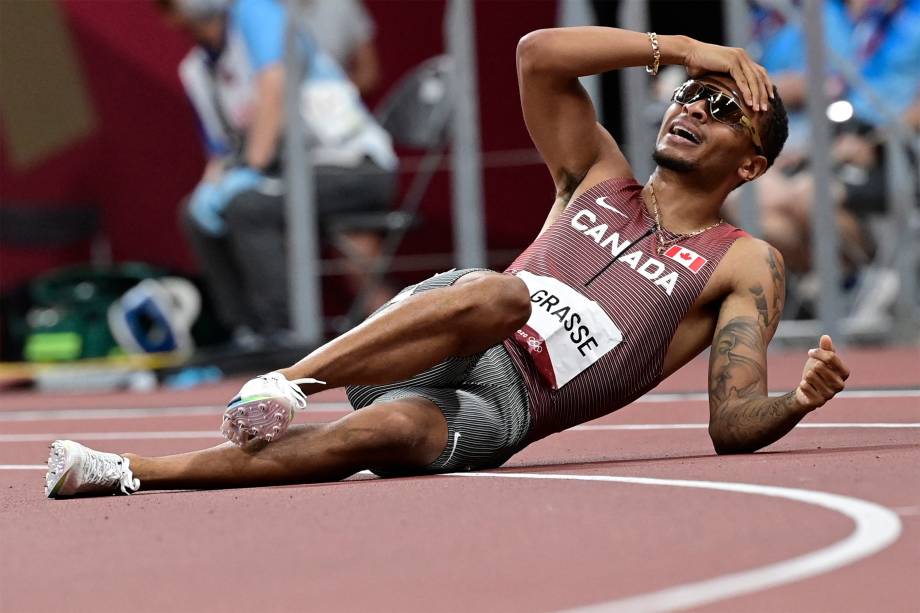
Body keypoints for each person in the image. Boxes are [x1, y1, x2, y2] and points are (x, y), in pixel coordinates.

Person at [44, 26, 851, 498]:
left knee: (391, 428)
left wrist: (798, 402)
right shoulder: (598, 176)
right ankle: (288, 382)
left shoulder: (744, 262)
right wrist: (675, 47)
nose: (693, 111)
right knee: (502, 296)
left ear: (751, 165)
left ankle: (124, 469)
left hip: (509, 410)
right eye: (690, 96)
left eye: (721, 113)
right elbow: (538, 54)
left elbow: (730, 425)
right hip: (439, 335)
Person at [159, 0, 399, 344]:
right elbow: (221, 150)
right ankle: (244, 331)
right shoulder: (196, 72)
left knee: (247, 205)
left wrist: (251, 171)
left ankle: (284, 332)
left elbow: (274, 92)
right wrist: (210, 189)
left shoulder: (256, 13)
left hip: (352, 163)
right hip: (289, 173)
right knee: (196, 216)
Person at [742, 0, 920, 275]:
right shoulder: (863, 16)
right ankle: (834, 293)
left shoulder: (904, 16)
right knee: (757, 211)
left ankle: (866, 283)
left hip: (893, 148)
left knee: (807, 197)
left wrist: (876, 140)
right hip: (841, 134)